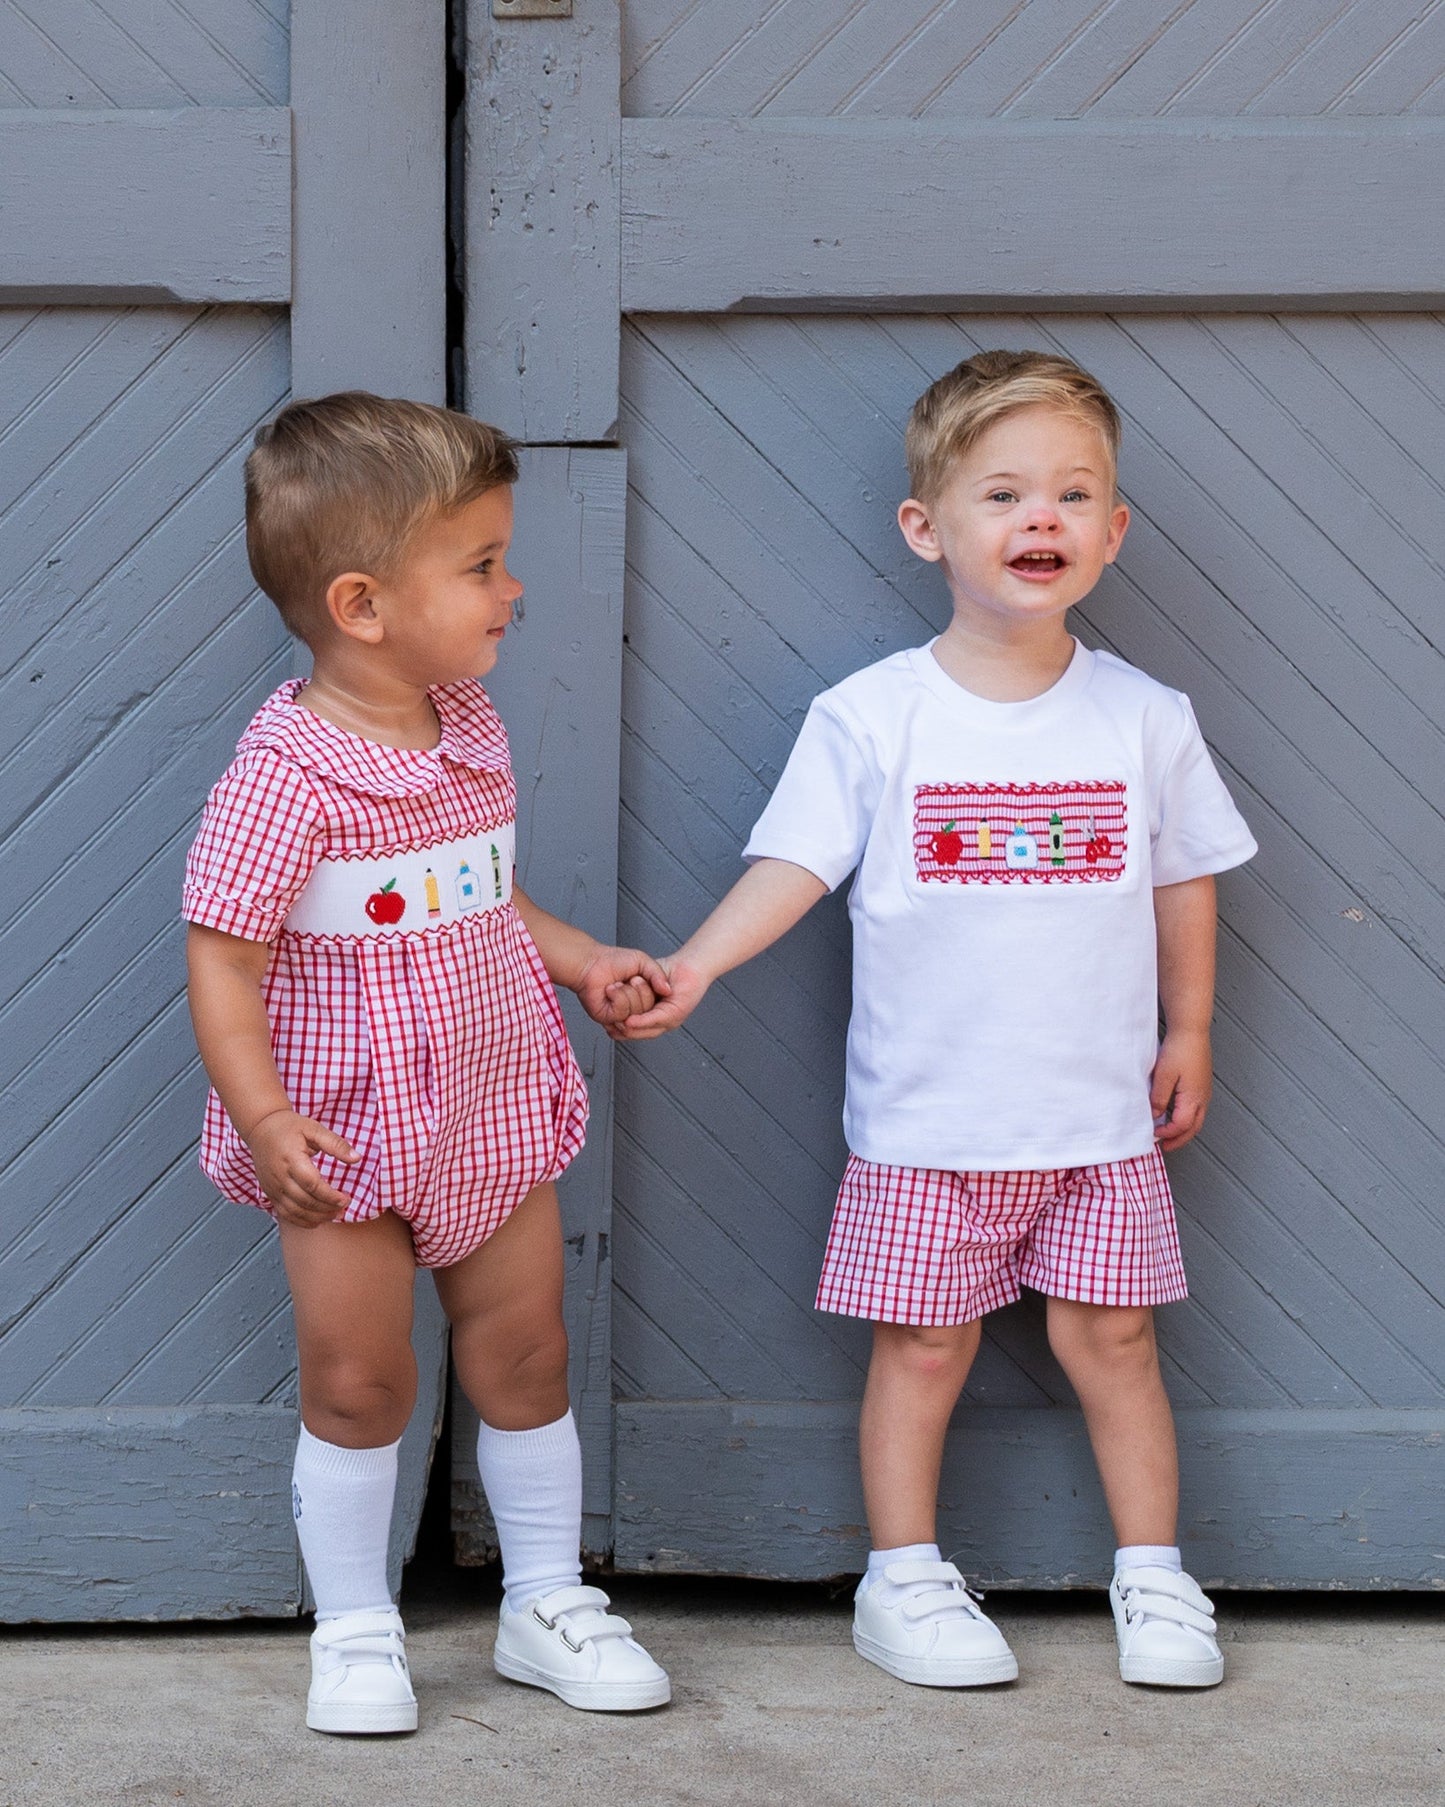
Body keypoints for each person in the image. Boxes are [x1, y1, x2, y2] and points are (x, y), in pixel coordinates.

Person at [618, 350, 1256, 1690]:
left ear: (1112, 530)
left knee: (1117, 1339)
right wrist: (696, 966)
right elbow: (793, 867)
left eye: (1073, 495)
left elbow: (1182, 881)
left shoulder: (1145, 720)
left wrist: (1188, 1029)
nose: (1041, 520)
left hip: (1096, 1121)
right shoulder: (871, 720)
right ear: (927, 527)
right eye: (1004, 493)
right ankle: (901, 1578)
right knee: (919, 1344)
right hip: (926, 1126)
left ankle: (1153, 1576)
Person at [184, 393, 672, 1733]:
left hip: (486, 1102)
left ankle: (543, 1602)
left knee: (525, 1356)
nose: (510, 588)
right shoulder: (284, 776)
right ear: (362, 603)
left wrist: (577, 960)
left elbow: (478, 892)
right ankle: (352, 1626)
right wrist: (266, 1113)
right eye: (479, 566)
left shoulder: (468, 726)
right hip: (340, 1132)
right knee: (360, 1381)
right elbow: (222, 957)